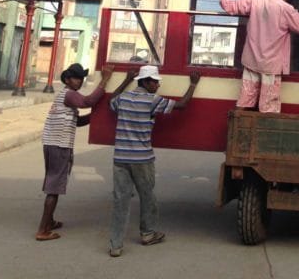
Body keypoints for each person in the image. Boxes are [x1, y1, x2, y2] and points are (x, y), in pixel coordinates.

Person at [108, 65, 200, 257]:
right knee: (147, 196)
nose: (158, 85)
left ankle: (116, 245)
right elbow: (181, 105)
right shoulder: (152, 100)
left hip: (120, 158)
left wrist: (126, 80)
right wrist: (193, 84)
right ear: (146, 82)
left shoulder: (123, 98)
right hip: (142, 158)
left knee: (120, 200)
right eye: (156, 82)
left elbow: (111, 100)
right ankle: (148, 234)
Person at [35, 64, 135, 241]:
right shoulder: (70, 94)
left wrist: (95, 117)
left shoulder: (65, 95)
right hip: (59, 145)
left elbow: (77, 121)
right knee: (54, 188)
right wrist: (105, 79)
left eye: (81, 78)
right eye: (76, 78)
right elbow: (88, 102)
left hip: (53, 143)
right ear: (67, 80)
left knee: (52, 183)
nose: (79, 81)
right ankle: (43, 230)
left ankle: (49, 221)